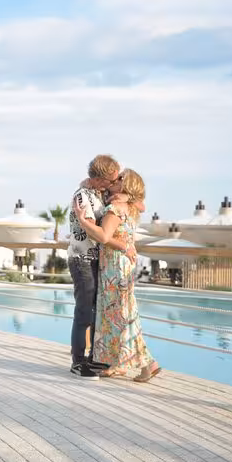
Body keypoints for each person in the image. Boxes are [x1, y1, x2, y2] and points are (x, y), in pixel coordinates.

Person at [74, 168, 161, 382]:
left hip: (115, 267)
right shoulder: (129, 206)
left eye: (120, 178)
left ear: (125, 185)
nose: (115, 179)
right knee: (118, 315)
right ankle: (117, 364)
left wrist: (84, 221)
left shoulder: (114, 208)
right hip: (122, 267)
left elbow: (103, 236)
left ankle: (148, 363)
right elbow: (141, 203)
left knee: (120, 316)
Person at [67, 154, 140, 380]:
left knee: (97, 311)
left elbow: (140, 203)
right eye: (113, 178)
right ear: (100, 179)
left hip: (98, 261)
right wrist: (124, 246)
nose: (116, 181)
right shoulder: (82, 197)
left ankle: (94, 357)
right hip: (82, 261)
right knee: (84, 311)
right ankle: (78, 361)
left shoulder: (102, 193)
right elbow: (96, 234)